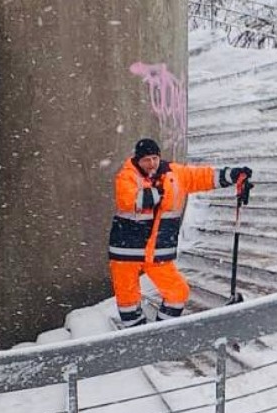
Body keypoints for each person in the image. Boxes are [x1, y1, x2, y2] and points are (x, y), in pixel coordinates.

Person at [108, 137, 253, 327]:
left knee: (178, 292)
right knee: (128, 302)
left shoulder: (174, 174)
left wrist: (233, 175)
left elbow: (202, 176)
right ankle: (136, 337)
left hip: (157, 253)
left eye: (154, 158)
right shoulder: (127, 176)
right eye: (146, 160)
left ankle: (160, 331)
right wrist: (157, 192)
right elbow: (130, 199)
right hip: (126, 252)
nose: (151, 164)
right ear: (137, 160)